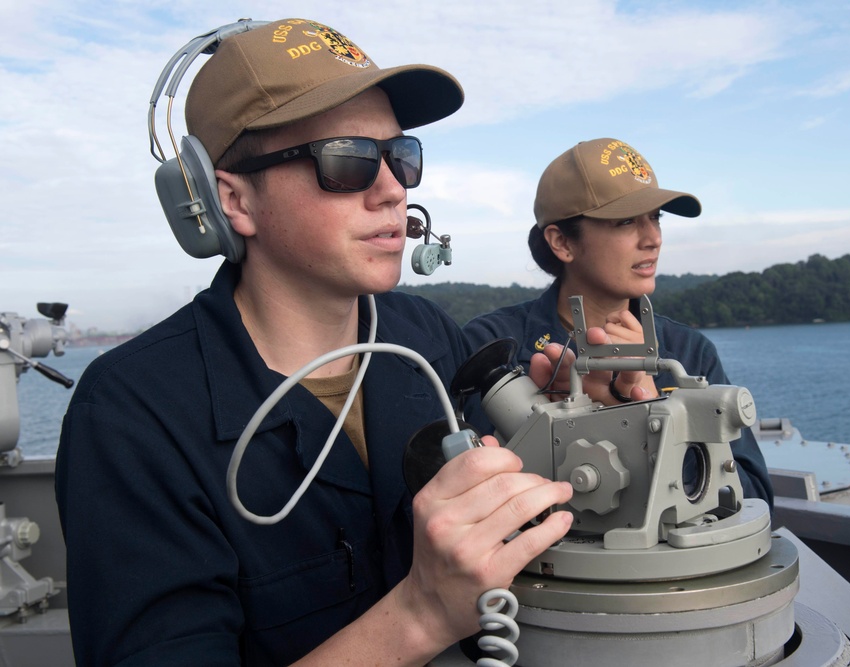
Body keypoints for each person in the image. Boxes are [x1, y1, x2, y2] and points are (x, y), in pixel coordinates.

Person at [55, 18, 590, 666]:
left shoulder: (428, 339)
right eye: (348, 160)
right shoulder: (131, 414)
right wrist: (420, 612)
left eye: (401, 156)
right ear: (233, 201)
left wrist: (583, 425)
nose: (394, 188)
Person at [463, 137, 773, 504]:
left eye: (655, 218)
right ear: (562, 242)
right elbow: (472, 490)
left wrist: (653, 410)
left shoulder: (690, 352)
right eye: (625, 221)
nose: (653, 238)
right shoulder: (491, 348)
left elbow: (753, 499)